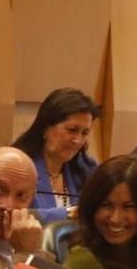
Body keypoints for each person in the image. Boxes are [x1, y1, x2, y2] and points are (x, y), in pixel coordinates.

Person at [13, 87, 100, 221]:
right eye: (72, 130)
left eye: (84, 133)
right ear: (46, 127)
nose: (77, 140)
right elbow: (11, 214)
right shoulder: (18, 167)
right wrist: (69, 214)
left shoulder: (87, 170)